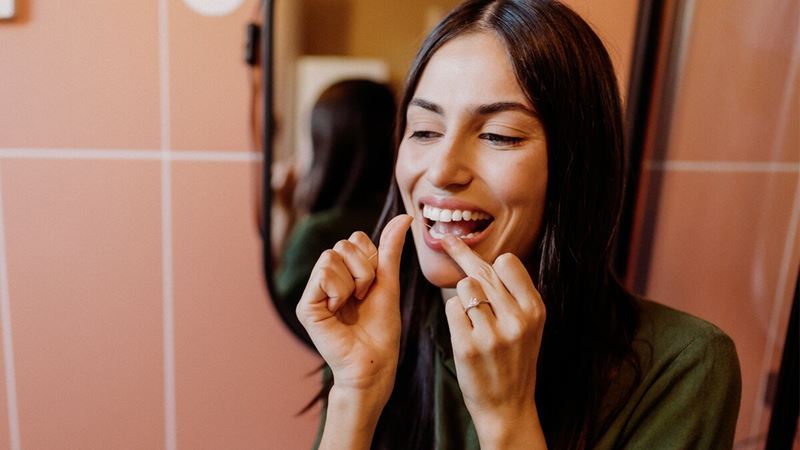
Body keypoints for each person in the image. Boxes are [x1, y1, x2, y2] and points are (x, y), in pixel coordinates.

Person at [294, 1, 742, 449]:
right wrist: (355, 394)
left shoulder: (683, 364)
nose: (442, 170)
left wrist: (506, 418)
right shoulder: (376, 331)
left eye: (499, 135)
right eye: (425, 130)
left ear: (576, 166)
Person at [275, 79, 396, 327]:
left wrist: (283, 217)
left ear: (326, 147)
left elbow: (278, 317)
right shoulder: (400, 220)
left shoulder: (317, 234)